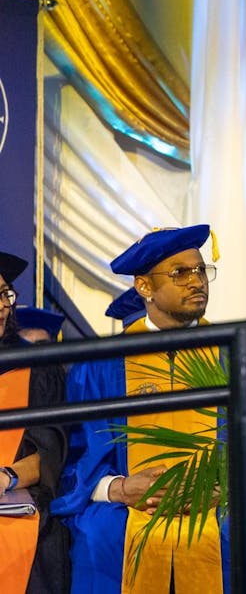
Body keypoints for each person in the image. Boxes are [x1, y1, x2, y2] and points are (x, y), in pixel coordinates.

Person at [56, 226, 231, 594]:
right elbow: (76, 455)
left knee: (241, 529)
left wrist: (226, 488)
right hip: (128, 510)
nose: (196, 281)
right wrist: (119, 489)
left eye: (200, 271)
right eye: (180, 273)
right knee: (99, 533)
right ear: (144, 287)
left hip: (219, 505)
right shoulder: (101, 364)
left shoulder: (238, 358)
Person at [0, 251, 70, 593]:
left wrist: (6, 477)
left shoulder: (35, 367)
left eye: (4, 294)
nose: (2, 306)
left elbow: (49, 453)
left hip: (16, 500)